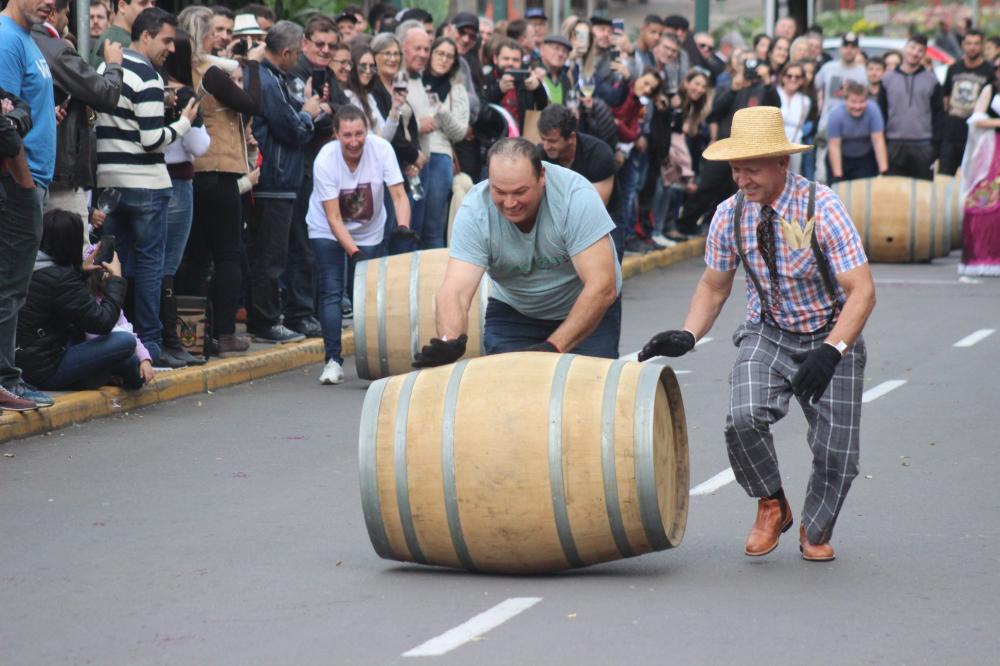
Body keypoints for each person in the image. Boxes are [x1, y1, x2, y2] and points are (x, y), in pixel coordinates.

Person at [639, 106, 876, 562]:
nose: (741, 179)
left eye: (751, 169)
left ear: (782, 164)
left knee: (837, 454)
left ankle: (815, 525)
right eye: (735, 169)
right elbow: (714, 284)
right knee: (742, 417)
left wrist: (831, 351)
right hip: (768, 331)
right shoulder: (729, 215)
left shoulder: (821, 207)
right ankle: (771, 502)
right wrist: (688, 334)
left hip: (832, 332)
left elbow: (861, 291)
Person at [413, 138, 621, 365]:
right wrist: (449, 342)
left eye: (520, 192)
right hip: (516, 312)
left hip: (584, 308)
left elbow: (601, 286)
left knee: (587, 390)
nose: (510, 203)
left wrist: (553, 347)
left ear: (542, 177)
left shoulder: (575, 196)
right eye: (500, 192)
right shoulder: (476, 210)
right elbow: (456, 291)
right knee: (506, 392)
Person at [95, 7, 197, 368]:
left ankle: (115, 342)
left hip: (110, 186)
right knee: (151, 267)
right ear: (147, 35)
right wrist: (184, 123)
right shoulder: (149, 78)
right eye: (167, 40)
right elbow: (154, 139)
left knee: (111, 266)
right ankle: (150, 345)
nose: (171, 48)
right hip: (147, 188)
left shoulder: (106, 70)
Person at [176, 4, 260, 358]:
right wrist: (253, 66)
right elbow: (251, 104)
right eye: (214, 33)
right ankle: (225, 333)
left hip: (191, 172)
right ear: (205, 35)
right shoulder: (210, 73)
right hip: (219, 172)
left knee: (193, 258)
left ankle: (189, 336)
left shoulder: (177, 69)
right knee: (227, 256)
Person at [307, 105, 411, 384]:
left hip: (371, 229)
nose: (354, 142)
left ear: (367, 130)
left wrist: (403, 227)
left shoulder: (381, 149)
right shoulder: (325, 160)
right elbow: (333, 217)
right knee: (331, 289)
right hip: (327, 229)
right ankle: (332, 361)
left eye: (359, 134)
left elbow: (399, 195)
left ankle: (376, 360)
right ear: (336, 135)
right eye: (347, 136)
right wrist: (352, 251)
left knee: (369, 296)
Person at [16, 210, 153, 391]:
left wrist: (80, 270)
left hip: (24, 363)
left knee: (127, 350)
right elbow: (102, 322)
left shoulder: (25, 266)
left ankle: (120, 369)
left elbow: (57, 294)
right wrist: (116, 279)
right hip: (45, 372)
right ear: (70, 243)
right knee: (125, 342)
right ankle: (130, 373)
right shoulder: (61, 280)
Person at [246, 20, 322, 344]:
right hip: (274, 180)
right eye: (299, 50)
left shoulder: (272, 77)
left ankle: (267, 317)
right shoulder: (268, 80)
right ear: (288, 52)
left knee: (273, 253)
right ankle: (264, 321)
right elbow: (292, 128)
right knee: (270, 256)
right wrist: (308, 114)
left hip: (277, 180)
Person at [32, 0, 123, 227]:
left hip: (35, 167)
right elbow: (105, 94)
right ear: (52, 13)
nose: (67, 22)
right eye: (67, 14)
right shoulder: (54, 48)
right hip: (56, 173)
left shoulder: (24, 40)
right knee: (73, 252)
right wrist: (113, 65)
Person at [0, 0, 51, 411]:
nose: (52, 2)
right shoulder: (4, 38)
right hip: (16, 181)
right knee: (9, 286)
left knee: (14, 287)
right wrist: (22, 179)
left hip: (28, 180)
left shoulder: (28, 39)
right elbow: (4, 121)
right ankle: (5, 381)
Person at [283, 13, 342, 340]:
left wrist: (326, 110)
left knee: (323, 241)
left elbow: (346, 114)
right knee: (303, 245)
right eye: (319, 44)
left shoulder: (329, 74)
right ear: (305, 43)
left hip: (325, 172)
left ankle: (319, 308)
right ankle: (300, 312)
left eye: (331, 45)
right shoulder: (297, 72)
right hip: (301, 169)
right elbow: (300, 119)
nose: (324, 50)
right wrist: (321, 113)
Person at [160, 30, 211, 365]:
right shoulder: (183, 93)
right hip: (175, 182)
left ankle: (162, 338)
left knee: (153, 263)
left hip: (153, 179)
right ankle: (166, 339)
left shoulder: (152, 83)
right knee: (165, 266)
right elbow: (200, 146)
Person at [408, 34, 470, 250]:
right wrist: (419, 124)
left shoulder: (457, 89)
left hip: (440, 155)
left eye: (449, 56)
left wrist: (441, 111)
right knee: (410, 223)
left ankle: (434, 280)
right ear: (431, 53)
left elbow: (460, 132)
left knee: (433, 226)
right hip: (412, 153)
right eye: (440, 53)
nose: (444, 59)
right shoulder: (412, 80)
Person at [878, 35, 943, 180]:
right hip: (893, 144)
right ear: (905, 48)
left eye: (920, 50)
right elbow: (881, 114)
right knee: (895, 193)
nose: (915, 53)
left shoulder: (932, 81)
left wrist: (935, 148)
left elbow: (938, 116)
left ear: (924, 54)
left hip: (923, 145)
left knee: (922, 195)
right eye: (912, 48)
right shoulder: (887, 79)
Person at [958, 75, 1000, 276]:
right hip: (992, 150)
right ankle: (981, 257)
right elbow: (976, 120)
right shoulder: (990, 89)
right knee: (983, 203)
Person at [813, 33, 867, 181]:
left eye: (853, 47)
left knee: (847, 177)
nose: (849, 50)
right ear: (840, 48)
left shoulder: (863, 72)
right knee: (822, 176)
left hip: (853, 130)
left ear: (858, 50)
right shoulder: (827, 68)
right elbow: (816, 88)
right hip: (827, 127)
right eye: (846, 46)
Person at [940, 30, 994, 176]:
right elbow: (945, 99)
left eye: (976, 44)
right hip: (951, 135)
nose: (972, 47)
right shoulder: (953, 68)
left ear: (982, 46)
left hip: (975, 137)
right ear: (963, 45)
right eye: (969, 43)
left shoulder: (990, 71)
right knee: (944, 181)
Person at [827, 81, 888, 182]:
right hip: (842, 157)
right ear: (846, 101)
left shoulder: (873, 110)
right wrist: (838, 176)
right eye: (853, 102)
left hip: (865, 157)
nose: (857, 106)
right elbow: (834, 146)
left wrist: (883, 171)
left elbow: (878, 141)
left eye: (861, 102)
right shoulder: (836, 114)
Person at [90, 0, 154, 68]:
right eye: (143, 3)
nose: (151, 8)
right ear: (122, 6)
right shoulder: (123, 43)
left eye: (153, 3)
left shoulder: (113, 36)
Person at [777, 62, 812, 174]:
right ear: (783, 78)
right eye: (789, 76)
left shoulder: (805, 101)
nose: (793, 79)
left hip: (795, 145)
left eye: (797, 77)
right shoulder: (775, 93)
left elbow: (800, 123)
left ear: (802, 80)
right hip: (775, 144)